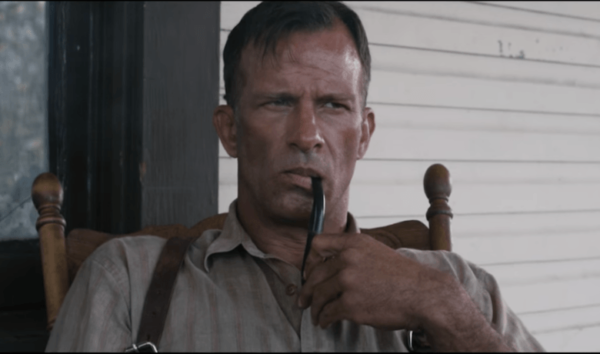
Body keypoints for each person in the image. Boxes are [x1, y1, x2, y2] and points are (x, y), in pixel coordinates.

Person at [46, 2, 544, 352]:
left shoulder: (457, 287)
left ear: (364, 134)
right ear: (231, 131)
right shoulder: (127, 282)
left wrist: (442, 309)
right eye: (278, 102)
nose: (307, 135)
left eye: (332, 104)